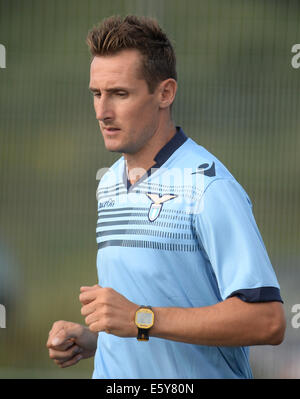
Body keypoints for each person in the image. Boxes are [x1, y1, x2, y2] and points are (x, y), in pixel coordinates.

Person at [46, 15, 286, 379]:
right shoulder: (110, 183)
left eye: (120, 94)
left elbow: (267, 321)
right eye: (97, 93)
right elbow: (146, 317)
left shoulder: (209, 187)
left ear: (165, 93)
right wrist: (97, 338)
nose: (102, 112)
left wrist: (140, 319)